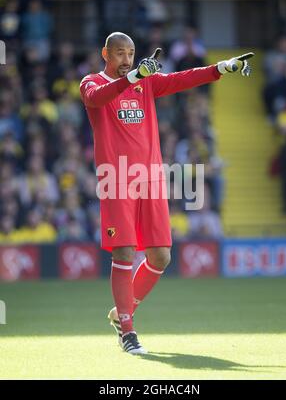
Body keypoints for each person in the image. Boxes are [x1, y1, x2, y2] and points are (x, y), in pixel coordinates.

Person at [80, 32, 254, 355]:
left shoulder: (145, 83)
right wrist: (134, 76)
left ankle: (122, 313)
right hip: (116, 179)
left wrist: (222, 67)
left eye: (131, 54)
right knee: (125, 253)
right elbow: (97, 98)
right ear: (105, 53)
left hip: (151, 178)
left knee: (161, 256)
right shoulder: (91, 82)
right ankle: (128, 332)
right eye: (119, 53)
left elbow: (182, 79)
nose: (126, 60)